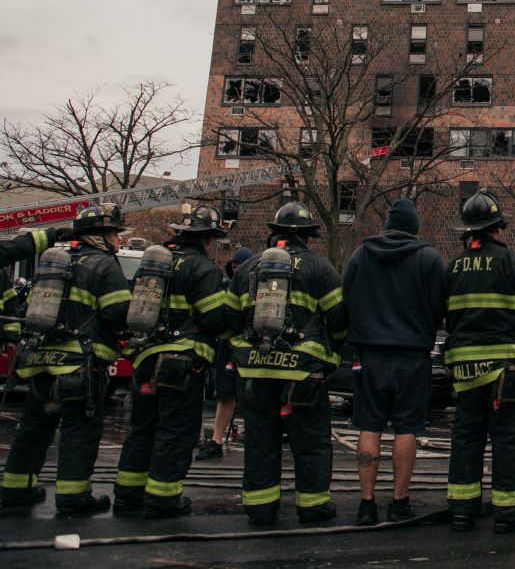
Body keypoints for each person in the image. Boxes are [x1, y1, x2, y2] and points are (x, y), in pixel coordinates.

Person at [1, 206, 131, 514]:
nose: (117, 240)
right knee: (79, 430)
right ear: (100, 237)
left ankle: (15, 489)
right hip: (81, 363)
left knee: (34, 426)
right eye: (114, 233)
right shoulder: (104, 264)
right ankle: (74, 497)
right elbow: (116, 315)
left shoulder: (54, 264)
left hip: (41, 359)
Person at [228, 201, 347, 525]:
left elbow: (228, 320)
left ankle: (260, 509)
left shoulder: (248, 268)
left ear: (275, 233)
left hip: (253, 372)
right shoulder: (320, 268)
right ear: (308, 237)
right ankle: (312, 507)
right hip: (302, 374)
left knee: (260, 443)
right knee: (310, 444)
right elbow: (338, 320)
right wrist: (330, 356)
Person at [113, 206, 233, 518]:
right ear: (207, 240)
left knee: (142, 428)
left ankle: (127, 495)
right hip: (182, 363)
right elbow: (215, 320)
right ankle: (163, 498)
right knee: (176, 430)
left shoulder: (152, 265)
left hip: (145, 360)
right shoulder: (203, 269)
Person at [443, 191, 515, 534]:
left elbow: (443, 315)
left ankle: (461, 510)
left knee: (466, 439)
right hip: (508, 371)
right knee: (507, 440)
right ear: (497, 229)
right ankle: (506, 514)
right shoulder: (514, 263)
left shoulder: (453, 267)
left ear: (468, 231)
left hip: (465, 371)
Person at [343, 199, 446, 526]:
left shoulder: (361, 254)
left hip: (370, 354)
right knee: (407, 428)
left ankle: (366, 504)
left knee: (369, 426)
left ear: (387, 225)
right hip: (412, 356)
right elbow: (438, 307)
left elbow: (345, 298)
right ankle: (399, 502)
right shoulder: (429, 258)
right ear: (415, 227)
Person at [197, 246, 252, 461]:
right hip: (228, 349)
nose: (236, 270)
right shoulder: (226, 287)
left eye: (240, 266)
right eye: (234, 266)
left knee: (253, 396)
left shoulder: (252, 288)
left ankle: (253, 435)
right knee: (226, 395)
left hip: (246, 350)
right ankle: (216, 441)